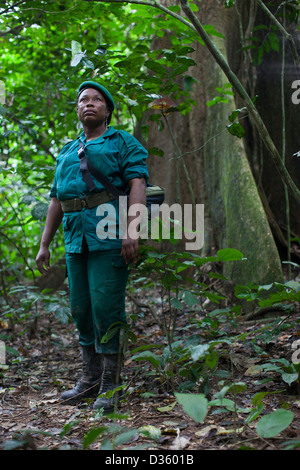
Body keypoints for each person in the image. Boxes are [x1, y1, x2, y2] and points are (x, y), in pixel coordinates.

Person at [36, 81, 149, 411]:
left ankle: (111, 386)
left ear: (107, 110)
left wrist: (132, 231)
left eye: (97, 100)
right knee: (81, 309)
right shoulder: (68, 151)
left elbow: (137, 184)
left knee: (105, 308)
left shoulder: (122, 143)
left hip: (110, 234)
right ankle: (90, 379)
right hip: (75, 239)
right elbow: (57, 198)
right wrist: (45, 244)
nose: (89, 103)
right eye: (83, 99)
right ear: (77, 109)